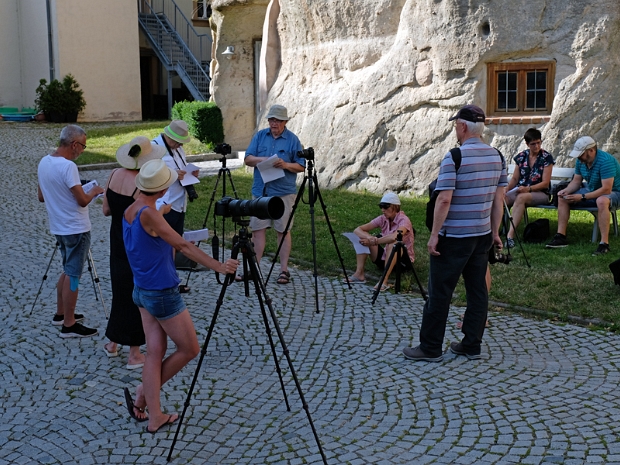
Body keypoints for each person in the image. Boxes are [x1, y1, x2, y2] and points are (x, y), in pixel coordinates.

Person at [122, 159, 238, 433]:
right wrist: (219, 266)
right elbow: (183, 245)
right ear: (163, 190)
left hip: (142, 290)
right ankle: (145, 395)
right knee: (190, 349)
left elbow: (150, 233)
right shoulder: (151, 215)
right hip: (162, 293)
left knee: (154, 353)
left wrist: (161, 211)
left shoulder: (132, 209)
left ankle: (152, 412)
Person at [402, 104, 507, 362]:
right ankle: (471, 345)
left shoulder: (455, 157)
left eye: (455, 125)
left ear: (462, 126)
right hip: (481, 235)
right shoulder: (498, 157)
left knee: (440, 292)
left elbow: (444, 199)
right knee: (478, 292)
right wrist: (495, 232)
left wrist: (434, 234)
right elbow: (499, 200)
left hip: (454, 237)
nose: (455, 130)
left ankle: (430, 348)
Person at [102, 136, 166, 368]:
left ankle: (112, 343)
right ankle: (134, 353)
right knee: (136, 296)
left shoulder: (113, 175)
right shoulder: (141, 184)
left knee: (119, 291)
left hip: (116, 241)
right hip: (134, 243)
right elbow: (145, 218)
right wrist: (163, 211)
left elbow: (106, 210)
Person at [37, 125, 104, 338]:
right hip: (76, 228)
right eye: (83, 146)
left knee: (67, 270)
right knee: (73, 275)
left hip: (59, 226)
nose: (83, 150)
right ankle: (69, 324)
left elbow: (41, 196)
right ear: (74, 144)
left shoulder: (44, 161)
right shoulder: (68, 167)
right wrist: (94, 191)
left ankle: (60, 314)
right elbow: (82, 200)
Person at [243, 104, 305, 284]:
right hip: (261, 191)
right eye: (271, 120)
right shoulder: (260, 136)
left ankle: (284, 270)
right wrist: (262, 159)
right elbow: (248, 159)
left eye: (277, 120)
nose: (274, 123)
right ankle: (255, 269)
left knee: (282, 231)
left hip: (283, 192)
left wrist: (285, 165)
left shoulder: (293, 140)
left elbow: (301, 166)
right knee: (257, 230)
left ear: (285, 122)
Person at [546, 136, 620, 255]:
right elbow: (576, 181)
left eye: (581, 154)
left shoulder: (606, 161)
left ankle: (604, 244)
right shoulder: (581, 161)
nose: (578, 157)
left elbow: (606, 189)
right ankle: (560, 237)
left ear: (591, 150)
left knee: (601, 201)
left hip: (614, 192)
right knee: (563, 198)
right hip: (592, 189)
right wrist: (566, 191)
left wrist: (583, 197)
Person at [153, 120, 201, 285]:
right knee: (162, 244)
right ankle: (162, 279)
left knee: (174, 242)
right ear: (169, 137)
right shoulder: (155, 148)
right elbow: (149, 175)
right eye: (178, 142)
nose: (180, 145)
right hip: (163, 204)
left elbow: (182, 169)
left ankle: (171, 279)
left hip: (179, 203)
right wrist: (173, 174)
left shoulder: (178, 149)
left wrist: (191, 174)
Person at [345, 192, 415, 290]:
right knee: (362, 238)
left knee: (394, 244)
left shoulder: (404, 220)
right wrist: (369, 238)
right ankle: (359, 274)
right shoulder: (383, 219)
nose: (383, 210)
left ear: (395, 207)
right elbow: (357, 230)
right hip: (385, 258)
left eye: (385, 207)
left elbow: (394, 237)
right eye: (381, 207)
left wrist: (374, 241)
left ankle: (384, 280)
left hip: (402, 262)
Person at [504, 128, 554, 248]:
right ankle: (493, 233)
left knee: (521, 197)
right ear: (527, 144)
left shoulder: (546, 157)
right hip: (520, 190)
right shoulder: (521, 157)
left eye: (538, 142)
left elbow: (545, 183)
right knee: (501, 198)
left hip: (541, 193)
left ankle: (510, 236)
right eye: (533, 144)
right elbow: (515, 179)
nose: (536, 146)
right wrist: (506, 189)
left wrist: (529, 189)